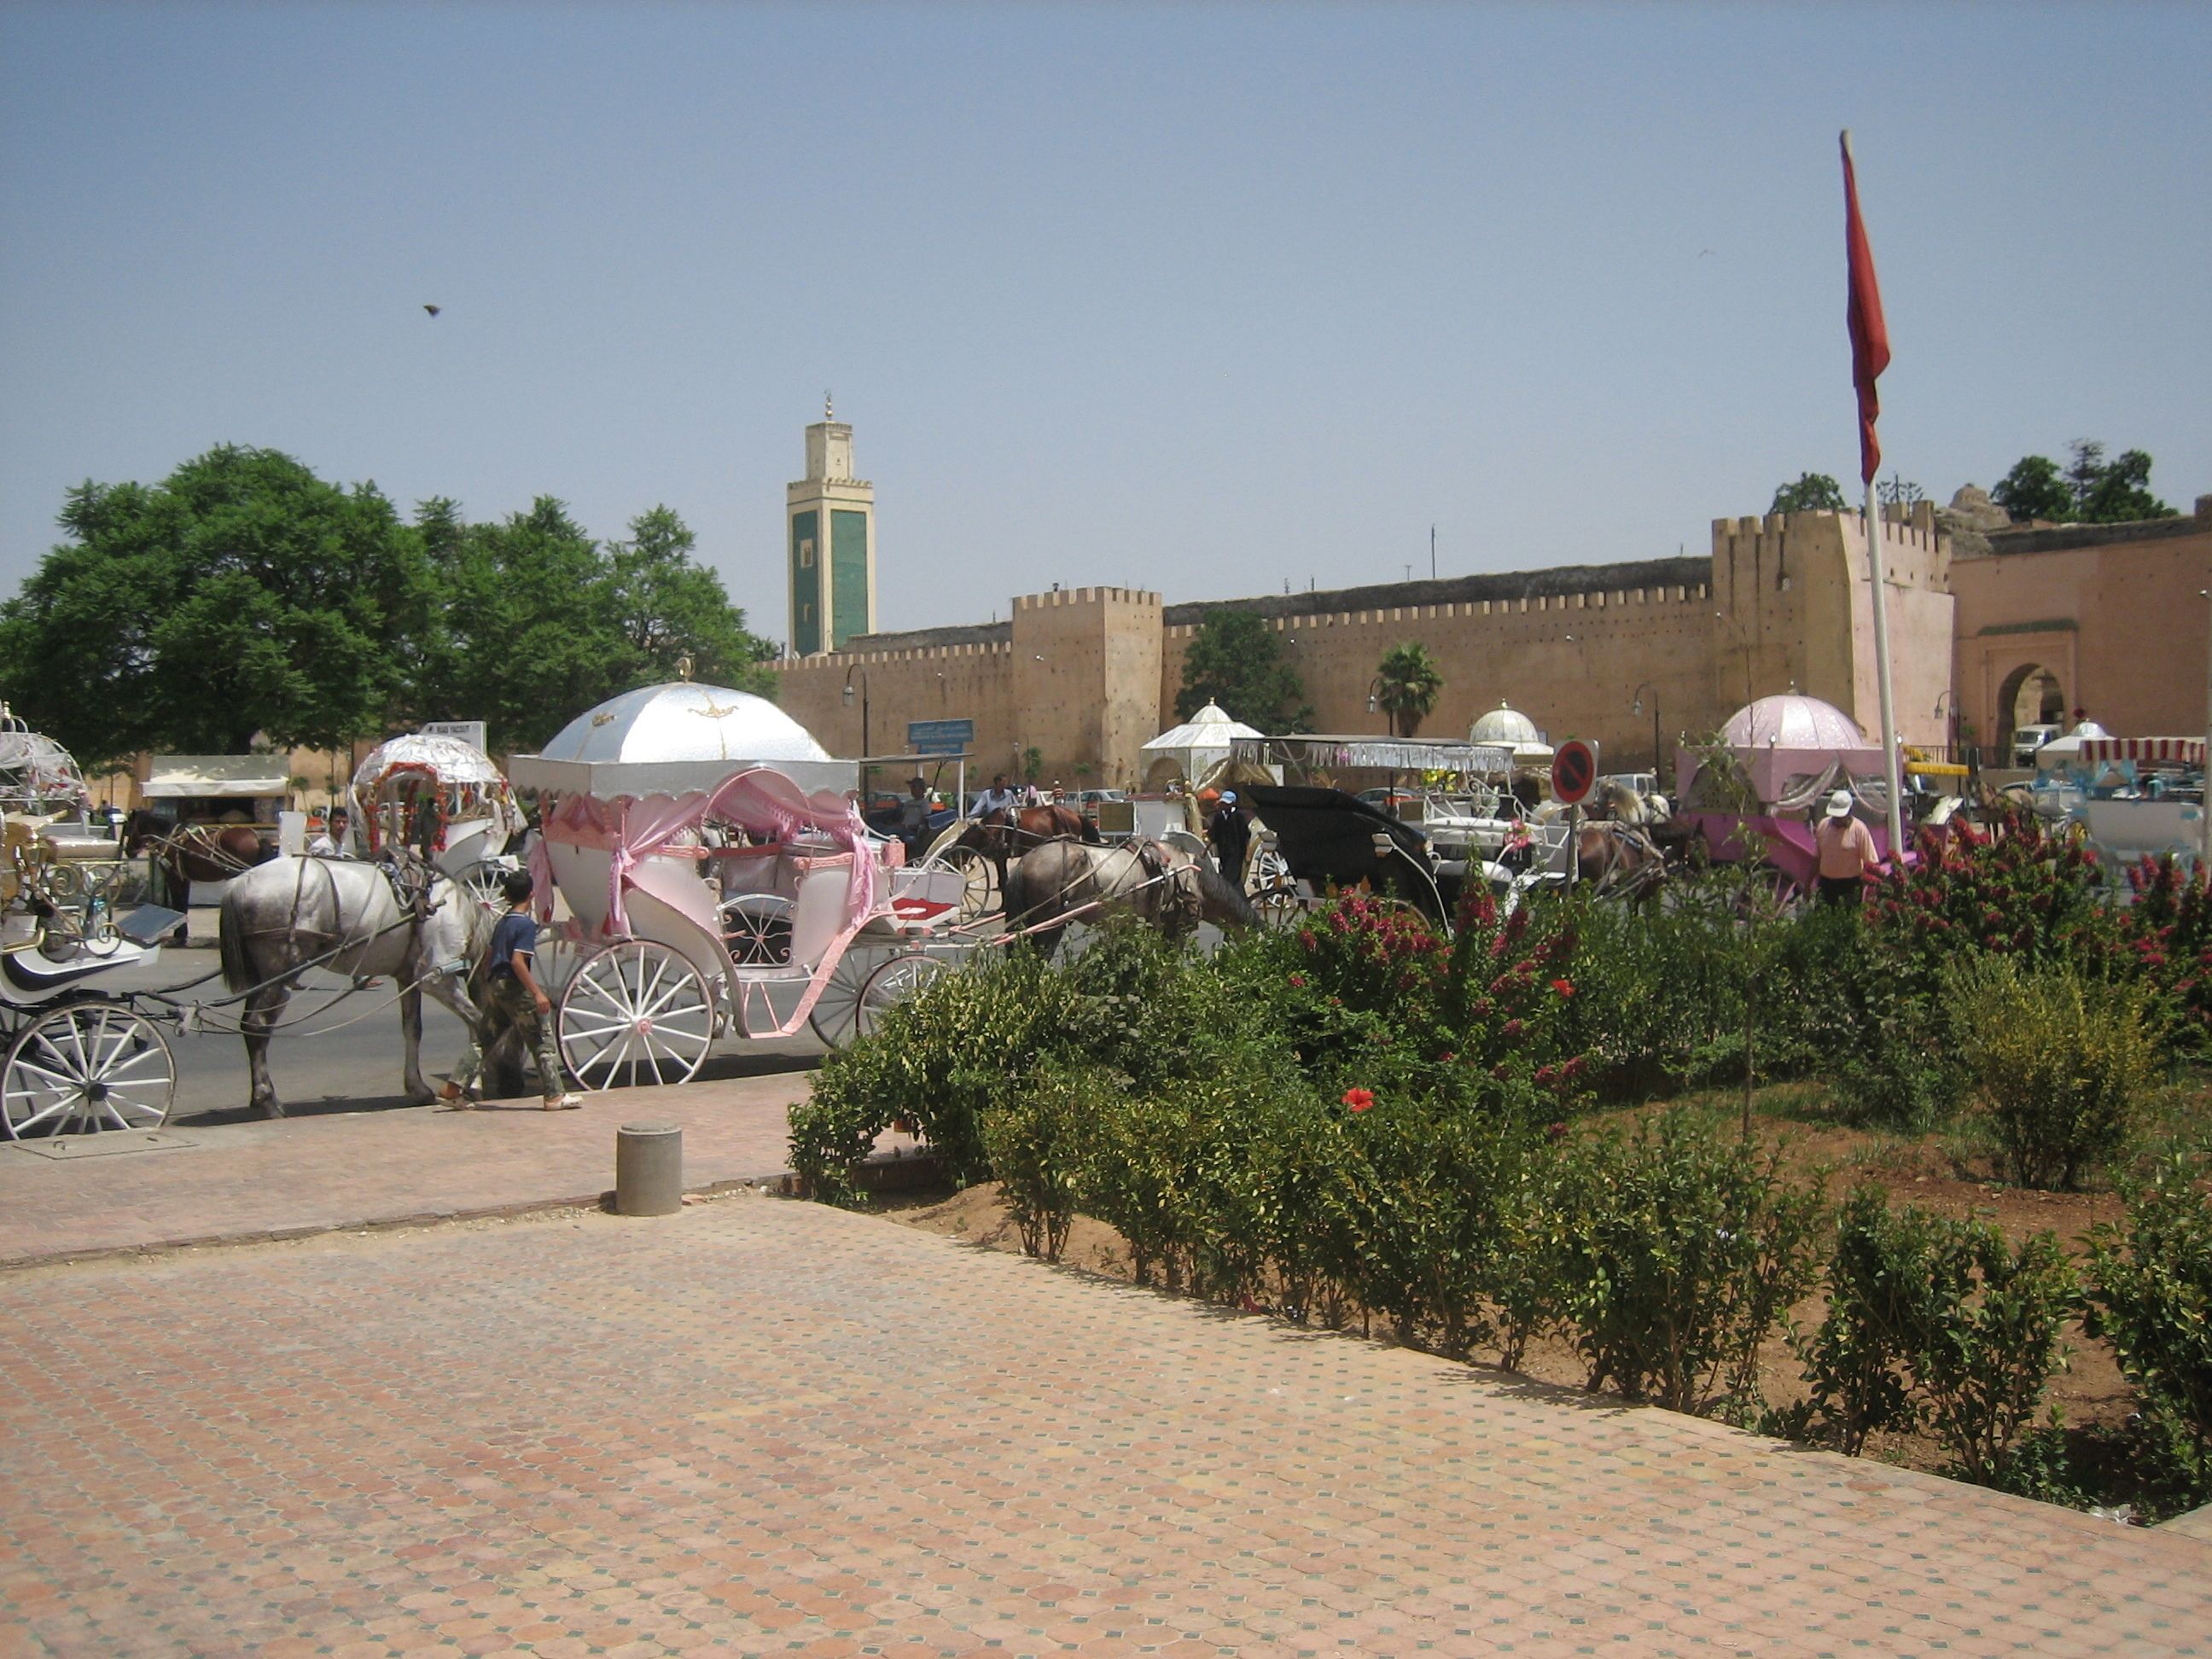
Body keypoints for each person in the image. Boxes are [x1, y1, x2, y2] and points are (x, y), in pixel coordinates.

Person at [441, 869, 581, 1109]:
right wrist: (537, 993)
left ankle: (453, 1088)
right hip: (514, 987)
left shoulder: (502, 922)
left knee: (485, 1039)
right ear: (531, 894)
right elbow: (517, 961)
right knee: (541, 1040)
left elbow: (488, 954)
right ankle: (554, 1095)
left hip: (496, 985)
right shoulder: (525, 925)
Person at [1813, 789, 1877, 905]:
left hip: (1850, 886)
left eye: (1840, 816)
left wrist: (1871, 891)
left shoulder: (1859, 829)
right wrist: (1809, 884)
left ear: (1849, 812)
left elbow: (1871, 863)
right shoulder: (1823, 826)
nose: (1837, 819)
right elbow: (1817, 857)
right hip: (1826, 883)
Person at [1208, 789, 1251, 885]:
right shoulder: (1219, 816)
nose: (1223, 806)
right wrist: (1206, 849)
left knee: (1231, 876)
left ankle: (1230, 894)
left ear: (1232, 804)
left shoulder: (1238, 816)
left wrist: (1248, 853)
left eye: (1226, 804)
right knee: (1225, 872)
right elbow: (1214, 833)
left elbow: (1245, 835)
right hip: (1223, 851)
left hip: (1237, 852)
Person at [899, 777, 934, 854]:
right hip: (902, 828)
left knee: (909, 840)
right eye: (912, 787)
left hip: (913, 831)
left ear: (922, 789)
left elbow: (925, 820)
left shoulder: (924, 804)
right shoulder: (908, 803)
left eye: (914, 787)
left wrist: (914, 826)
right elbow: (903, 816)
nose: (912, 790)